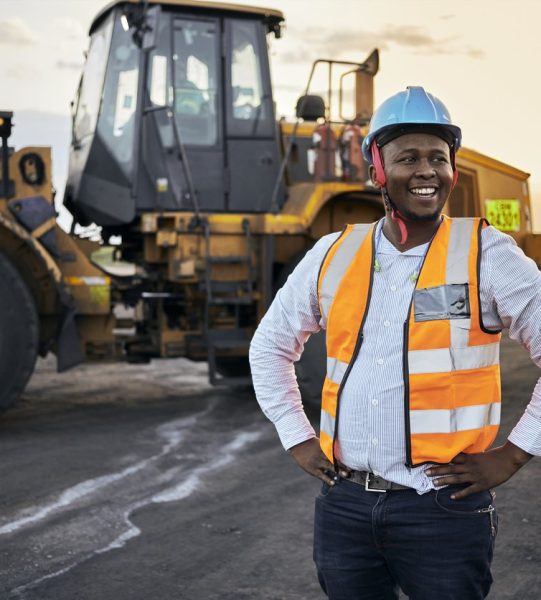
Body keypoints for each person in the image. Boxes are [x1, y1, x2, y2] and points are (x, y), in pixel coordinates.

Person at [249, 86, 541, 600]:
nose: (427, 171)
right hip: (346, 506)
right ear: (377, 170)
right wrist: (296, 435)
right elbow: (268, 347)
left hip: (442, 511)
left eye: (439, 158)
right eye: (408, 158)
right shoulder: (333, 254)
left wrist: (513, 456)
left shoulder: (488, 256)